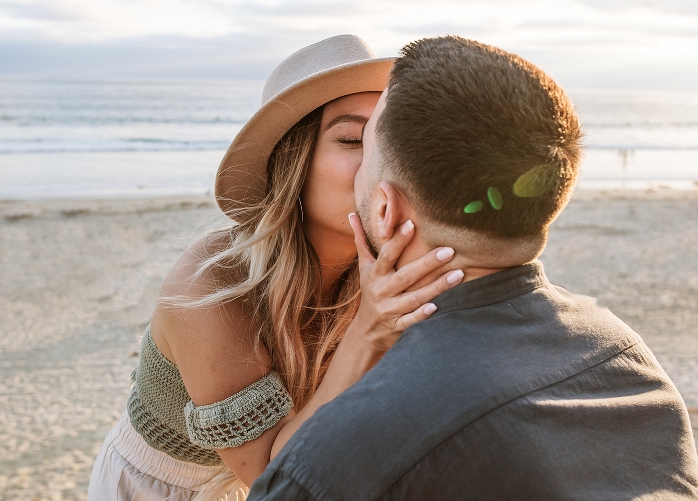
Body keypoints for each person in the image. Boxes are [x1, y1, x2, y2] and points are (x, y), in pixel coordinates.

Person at [248, 36, 698, 500]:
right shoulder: (632, 365)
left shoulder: (334, 461)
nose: (359, 166)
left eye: (368, 149)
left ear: (385, 211)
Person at [88, 35, 464, 501]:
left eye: (389, 141)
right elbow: (272, 476)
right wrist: (369, 328)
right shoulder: (212, 285)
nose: (382, 163)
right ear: (293, 164)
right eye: (353, 140)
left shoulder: (386, 266)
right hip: (164, 487)